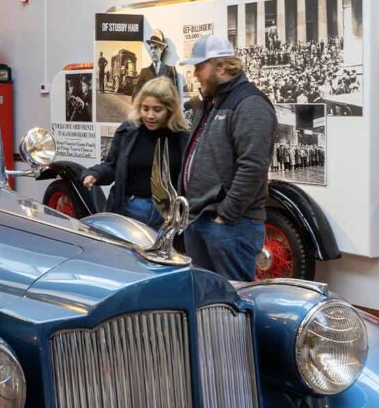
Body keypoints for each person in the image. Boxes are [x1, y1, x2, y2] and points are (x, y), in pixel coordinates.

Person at [179, 34, 276, 281]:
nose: (196, 73)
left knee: (233, 305)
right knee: (208, 302)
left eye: (200, 66)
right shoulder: (213, 101)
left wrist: (226, 215)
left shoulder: (250, 103)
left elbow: (253, 167)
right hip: (202, 220)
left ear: (221, 67)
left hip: (230, 225)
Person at [81, 77, 190, 229]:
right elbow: (111, 165)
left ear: (170, 109)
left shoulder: (182, 137)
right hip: (131, 211)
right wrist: (94, 174)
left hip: (168, 216)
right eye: (145, 108)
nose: (150, 115)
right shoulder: (128, 131)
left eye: (157, 110)